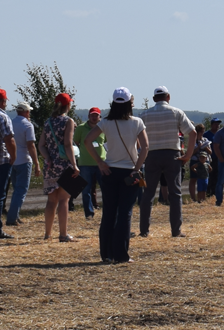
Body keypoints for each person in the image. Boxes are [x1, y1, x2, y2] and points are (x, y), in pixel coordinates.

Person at [85, 87, 149, 264]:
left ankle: (106, 254)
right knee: (125, 214)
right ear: (130, 103)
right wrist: (137, 168)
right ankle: (121, 255)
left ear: (113, 103)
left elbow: (87, 141)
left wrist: (100, 161)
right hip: (130, 172)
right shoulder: (137, 122)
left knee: (109, 213)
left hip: (109, 171)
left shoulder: (105, 122)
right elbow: (145, 147)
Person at [137, 86, 196, 238]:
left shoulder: (144, 115)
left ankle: (144, 231)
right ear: (168, 97)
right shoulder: (176, 112)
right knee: (175, 193)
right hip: (172, 154)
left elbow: (136, 135)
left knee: (148, 193)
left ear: (154, 99)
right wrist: (188, 155)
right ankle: (176, 231)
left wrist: (141, 151)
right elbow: (193, 132)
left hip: (151, 154)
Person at [38, 92, 80, 242]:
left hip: (50, 166)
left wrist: (48, 158)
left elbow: (41, 145)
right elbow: (68, 144)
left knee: (51, 200)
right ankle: (63, 234)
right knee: (64, 200)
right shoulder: (68, 121)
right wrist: (74, 165)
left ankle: (47, 234)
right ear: (68, 105)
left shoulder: (48, 122)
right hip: (64, 164)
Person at [6, 101, 41, 227]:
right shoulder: (27, 125)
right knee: (21, 191)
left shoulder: (10, 122)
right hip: (24, 160)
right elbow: (31, 145)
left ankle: (15, 215)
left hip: (12, 160)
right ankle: (12, 218)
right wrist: (37, 163)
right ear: (26, 112)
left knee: (16, 190)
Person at [74, 107, 106, 220]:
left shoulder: (103, 128)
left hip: (101, 163)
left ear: (99, 117)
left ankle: (107, 211)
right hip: (85, 163)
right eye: (92, 115)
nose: (94, 117)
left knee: (105, 188)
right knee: (86, 190)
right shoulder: (81, 128)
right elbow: (76, 142)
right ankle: (89, 213)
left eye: (96, 115)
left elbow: (106, 142)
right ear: (88, 116)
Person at [0, 89, 14, 239]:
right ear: (2, 102)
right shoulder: (2, 117)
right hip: (2, 161)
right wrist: (13, 156)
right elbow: (9, 139)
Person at [188, 123, 211, 203]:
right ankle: (193, 198)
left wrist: (206, 147)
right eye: (201, 131)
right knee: (193, 179)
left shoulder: (206, 140)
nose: (202, 133)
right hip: (195, 161)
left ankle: (202, 198)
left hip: (204, 162)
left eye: (203, 131)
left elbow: (210, 152)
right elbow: (190, 153)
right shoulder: (193, 141)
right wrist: (198, 147)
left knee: (204, 179)